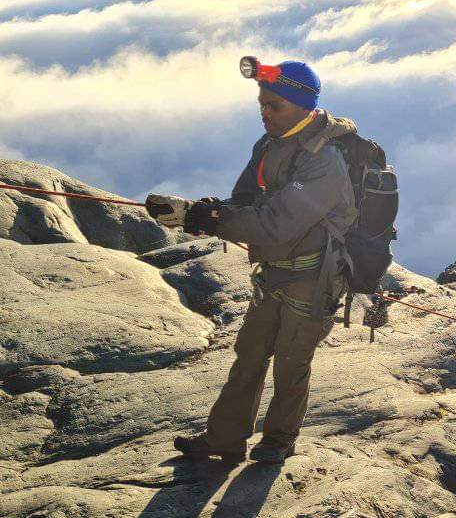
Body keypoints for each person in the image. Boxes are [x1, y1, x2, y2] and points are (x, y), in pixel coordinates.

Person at [146, 59, 358, 465]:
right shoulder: (269, 145)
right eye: (261, 103)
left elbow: (276, 224)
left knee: (292, 363)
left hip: (313, 278)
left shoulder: (324, 161)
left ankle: (278, 443)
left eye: (274, 105)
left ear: (302, 106)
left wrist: (204, 217)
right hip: (275, 273)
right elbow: (244, 202)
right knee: (250, 354)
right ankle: (225, 438)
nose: (264, 112)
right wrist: (204, 212)